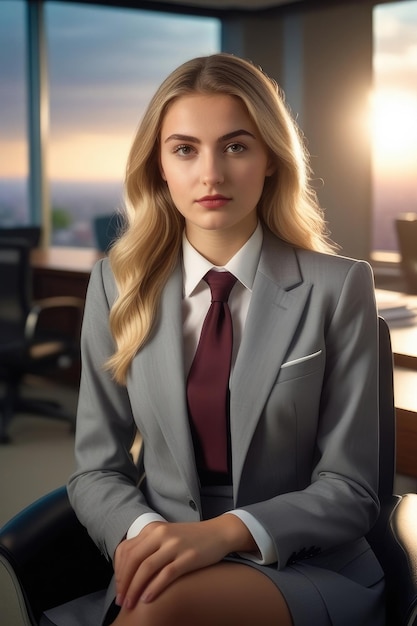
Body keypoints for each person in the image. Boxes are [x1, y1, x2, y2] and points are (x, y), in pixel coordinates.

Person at [67, 53, 385, 626]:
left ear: (269, 160)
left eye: (236, 146)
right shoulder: (115, 286)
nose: (210, 174)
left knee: (166, 609)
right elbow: (96, 469)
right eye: (184, 149)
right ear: (159, 166)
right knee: (163, 598)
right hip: (163, 552)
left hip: (302, 561)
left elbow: (351, 488)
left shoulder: (338, 287)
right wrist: (150, 537)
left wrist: (220, 536)